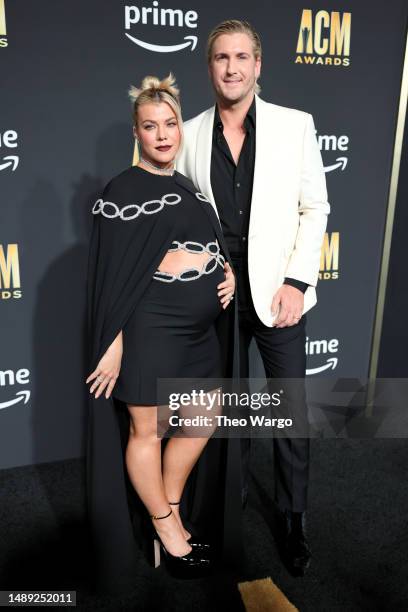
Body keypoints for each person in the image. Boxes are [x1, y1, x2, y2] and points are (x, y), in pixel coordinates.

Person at [176, 20, 330, 577]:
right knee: (226, 412)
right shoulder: (189, 133)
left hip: (280, 296)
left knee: (290, 412)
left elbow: (316, 210)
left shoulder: (295, 126)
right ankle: (228, 505)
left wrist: (297, 281)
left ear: (259, 65)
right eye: (221, 57)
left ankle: (293, 519)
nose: (232, 67)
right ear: (210, 66)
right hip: (217, 298)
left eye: (242, 56)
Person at [85, 74, 237, 592]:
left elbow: (208, 242)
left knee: (203, 414)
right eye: (151, 126)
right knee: (146, 431)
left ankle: (166, 507)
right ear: (137, 132)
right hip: (148, 329)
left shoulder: (188, 185)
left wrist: (228, 272)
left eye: (170, 123)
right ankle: (169, 530)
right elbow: (112, 278)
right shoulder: (122, 190)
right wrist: (112, 344)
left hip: (196, 337)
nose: (163, 134)